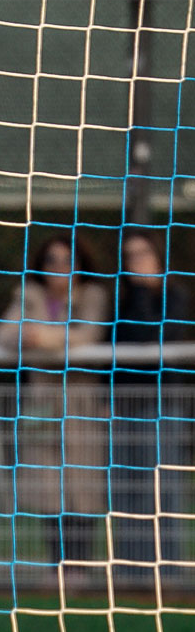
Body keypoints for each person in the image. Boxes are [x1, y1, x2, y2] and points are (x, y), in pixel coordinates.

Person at [0, 233, 110, 564]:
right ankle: (55, 565)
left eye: (67, 261)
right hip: (42, 405)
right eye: (52, 261)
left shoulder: (93, 295)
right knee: (48, 486)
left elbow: (88, 335)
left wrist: (40, 336)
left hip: (81, 405)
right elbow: (3, 334)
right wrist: (34, 336)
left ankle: (80, 565)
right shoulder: (29, 295)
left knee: (82, 486)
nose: (59, 268)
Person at [110, 229, 192, 564]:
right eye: (129, 255)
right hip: (123, 406)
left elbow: (150, 336)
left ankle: (166, 568)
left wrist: (144, 288)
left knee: (160, 490)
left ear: (158, 256)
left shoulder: (174, 296)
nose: (135, 261)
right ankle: (131, 570)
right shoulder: (121, 299)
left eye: (142, 253)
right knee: (125, 492)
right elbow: (112, 351)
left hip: (160, 405)